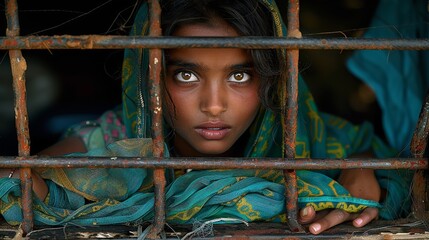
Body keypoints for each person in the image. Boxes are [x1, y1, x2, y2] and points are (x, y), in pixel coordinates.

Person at [0, 0, 412, 235]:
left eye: (239, 75)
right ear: (150, 75)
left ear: (274, 79)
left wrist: (364, 172)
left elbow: (396, 168)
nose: (213, 105)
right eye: (186, 74)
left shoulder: (320, 139)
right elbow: (25, 184)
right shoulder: (114, 137)